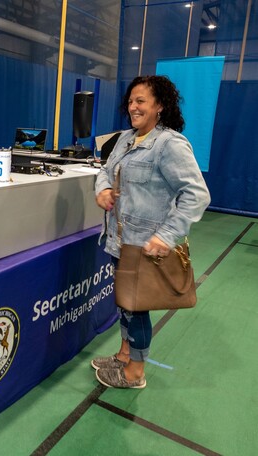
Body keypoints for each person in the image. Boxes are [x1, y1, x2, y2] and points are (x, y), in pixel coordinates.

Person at [92, 75, 210, 389]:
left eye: (141, 100)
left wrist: (167, 235)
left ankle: (134, 373)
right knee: (125, 303)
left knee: (135, 307)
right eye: (131, 101)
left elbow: (197, 194)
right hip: (120, 241)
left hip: (143, 245)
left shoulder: (169, 144)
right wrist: (103, 190)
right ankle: (123, 355)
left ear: (160, 105)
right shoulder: (125, 138)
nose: (133, 106)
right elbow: (105, 170)